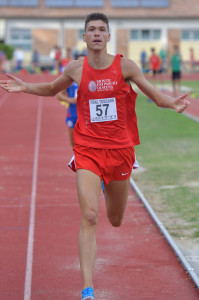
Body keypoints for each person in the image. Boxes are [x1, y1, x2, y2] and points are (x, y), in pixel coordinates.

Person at [0, 13, 190, 300]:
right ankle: (87, 290)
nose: (97, 33)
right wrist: (25, 87)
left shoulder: (126, 65)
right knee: (89, 216)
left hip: (120, 151)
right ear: (85, 37)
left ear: (109, 36)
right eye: (92, 29)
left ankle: (105, 183)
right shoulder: (76, 68)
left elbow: (153, 95)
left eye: (102, 29)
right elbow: (52, 89)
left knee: (115, 219)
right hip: (87, 149)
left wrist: (171, 103)